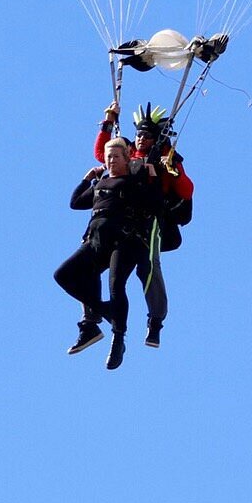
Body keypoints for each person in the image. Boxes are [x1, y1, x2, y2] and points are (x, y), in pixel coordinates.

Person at [54, 136, 165, 369]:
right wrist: (88, 178)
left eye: (116, 156)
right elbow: (75, 203)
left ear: (127, 159)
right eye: (108, 156)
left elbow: (155, 203)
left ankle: (118, 338)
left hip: (124, 243)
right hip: (95, 243)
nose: (111, 160)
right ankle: (103, 311)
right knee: (63, 275)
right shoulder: (100, 185)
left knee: (116, 285)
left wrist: (152, 173)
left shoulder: (133, 182)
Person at [95, 102, 194, 347]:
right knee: (95, 258)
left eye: (146, 135)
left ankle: (155, 321)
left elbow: (186, 190)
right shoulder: (129, 154)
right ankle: (91, 317)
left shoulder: (166, 159)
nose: (140, 139)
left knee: (147, 268)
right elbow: (102, 154)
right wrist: (108, 122)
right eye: (139, 134)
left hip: (151, 223)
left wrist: (171, 169)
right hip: (125, 221)